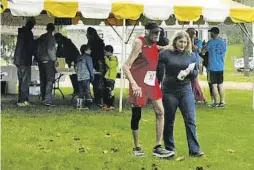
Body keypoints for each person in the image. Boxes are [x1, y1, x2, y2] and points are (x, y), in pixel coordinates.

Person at [122, 21, 174, 158]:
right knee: (137, 114)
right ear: (147, 32)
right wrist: (133, 84)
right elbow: (125, 66)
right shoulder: (139, 43)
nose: (158, 35)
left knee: (160, 111)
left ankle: (158, 147)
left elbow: (156, 49)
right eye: (155, 32)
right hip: (138, 83)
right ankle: (137, 148)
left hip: (151, 82)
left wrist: (168, 48)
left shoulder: (154, 44)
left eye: (159, 32)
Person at [158, 31, 204, 157]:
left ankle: (194, 150)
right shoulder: (165, 54)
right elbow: (159, 73)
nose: (183, 44)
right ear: (175, 41)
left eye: (185, 42)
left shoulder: (191, 56)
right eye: (180, 42)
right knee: (169, 120)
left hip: (185, 91)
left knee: (190, 120)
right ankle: (169, 148)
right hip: (169, 91)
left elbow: (195, 74)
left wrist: (188, 73)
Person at [201, 27, 227, 107]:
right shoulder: (223, 43)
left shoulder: (210, 42)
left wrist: (204, 46)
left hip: (212, 67)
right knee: (220, 84)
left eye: (211, 32)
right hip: (221, 67)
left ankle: (215, 102)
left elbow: (203, 52)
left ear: (213, 33)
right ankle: (222, 102)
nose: (210, 34)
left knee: (214, 85)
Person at [13, 17, 36, 106]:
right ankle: (24, 100)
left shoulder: (21, 32)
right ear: (31, 24)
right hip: (25, 60)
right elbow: (30, 48)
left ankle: (20, 99)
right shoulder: (28, 33)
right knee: (25, 81)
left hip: (18, 59)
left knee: (21, 80)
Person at [36, 23, 57, 106]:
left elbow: (37, 48)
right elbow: (50, 50)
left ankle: (43, 97)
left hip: (41, 61)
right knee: (49, 80)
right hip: (48, 61)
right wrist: (54, 59)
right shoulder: (51, 37)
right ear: (53, 29)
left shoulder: (42, 37)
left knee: (43, 80)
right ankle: (47, 99)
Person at [86, 27, 106, 107]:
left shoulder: (92, 43)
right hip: (98, 64)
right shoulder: (100, 42)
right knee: (97, 83)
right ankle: (98, 99)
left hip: (96, 64)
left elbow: (91, 53)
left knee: (96, 83)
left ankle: (98, 99)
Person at [186, 28, 206, 103]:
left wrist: (192, 39)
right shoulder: (186, 41)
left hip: (195, 62)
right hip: (186, 61)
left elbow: (195, 48)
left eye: (191, 33)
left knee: (194, 80)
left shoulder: (198, 41)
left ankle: (199, 96)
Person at [76, 44, 94, 109]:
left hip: (79, 77)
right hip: (86, 77)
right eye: (89, 49)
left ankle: (79, 105)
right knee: (87, 91)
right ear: (85, 50)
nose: (90, 50)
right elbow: (90, 67)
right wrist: (92, 76)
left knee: (80, 91)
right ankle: (88, 105)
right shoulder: (88, 57)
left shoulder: (79, 57)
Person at [103, 45, 119, 110]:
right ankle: (107, 105)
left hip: (111, 78)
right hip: (108, 77)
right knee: (107, 92)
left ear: (109, 52)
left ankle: (111, 105)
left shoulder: (113, 58)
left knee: (110, 92)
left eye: (105, 52)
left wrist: (106, 59)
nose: (105, 54)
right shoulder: (110, 58)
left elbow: (110, 65)